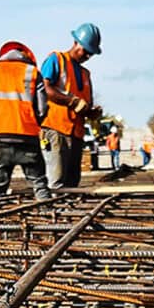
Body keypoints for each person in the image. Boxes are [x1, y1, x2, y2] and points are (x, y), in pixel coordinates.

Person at [0, 41, 51, 201]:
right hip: (27, 137)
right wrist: (31, 121)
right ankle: (49, 216)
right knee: (39, 184)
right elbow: (42, 108)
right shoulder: (32, 72)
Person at [41, 22, 103, 190]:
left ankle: (67, 213)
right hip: (56, 129)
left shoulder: (85, 74)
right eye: (85, 51)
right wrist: (71, 101)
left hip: (76, 133)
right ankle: (53, 213)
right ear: (75, 43)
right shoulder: (57, 60)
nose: (87, 56)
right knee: (56, 183)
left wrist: (91, 112)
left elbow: (84, 105)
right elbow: (45, 89)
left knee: (72, 183)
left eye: (91, 54)